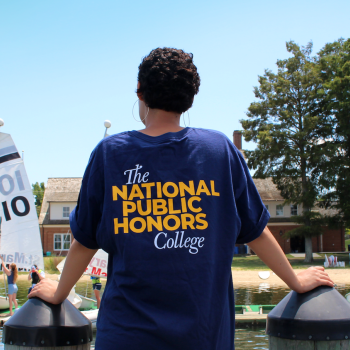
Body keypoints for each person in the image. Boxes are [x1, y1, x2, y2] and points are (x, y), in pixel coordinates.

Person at [29, 47, 334, 350]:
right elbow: (256, 231)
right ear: (190, 97)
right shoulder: (219, 150)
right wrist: (295, 281)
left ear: (140, 91)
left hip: (126, 336)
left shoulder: (110, 153)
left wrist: (59, 294)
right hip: (203, 337)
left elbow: (84, 241)